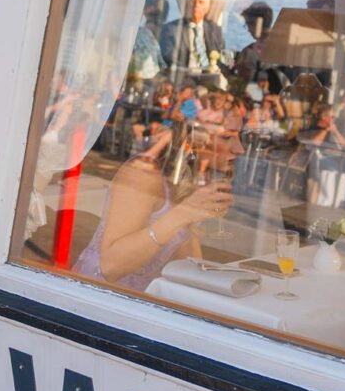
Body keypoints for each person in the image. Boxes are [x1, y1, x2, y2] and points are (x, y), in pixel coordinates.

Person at [73, 123, 233, 288]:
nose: (240, 150)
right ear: (197, 140)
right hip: (101, 294)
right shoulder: (143, 175)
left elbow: (186, 260)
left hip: (147, 297)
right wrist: (184, 213)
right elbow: (110, 267)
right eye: (228, 137)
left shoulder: (184, 182)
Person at [159, 0, 224, 75]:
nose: (196, 5)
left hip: (210, 77)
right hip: (183, 77)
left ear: (207, 7)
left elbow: (221, 57)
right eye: (193, 1)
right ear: (187, 5)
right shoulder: (170, 29)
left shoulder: (215, 30)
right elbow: (168, 59)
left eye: (201, 2)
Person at [234, 1, 274, 85]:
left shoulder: (249, 52)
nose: (248, 30)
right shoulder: (283, 47)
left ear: (258, 23)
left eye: (248, 24)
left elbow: (243, 80)